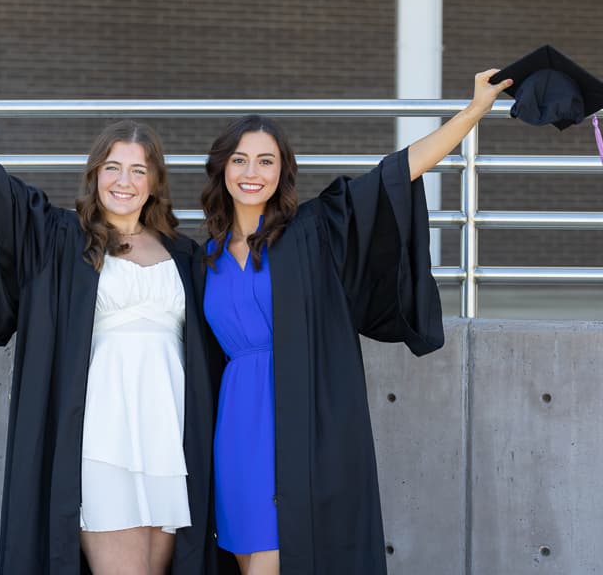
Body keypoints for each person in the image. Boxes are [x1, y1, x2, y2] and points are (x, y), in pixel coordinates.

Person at [0, 61, 215, 575]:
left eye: (137, 169)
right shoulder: (64, 241)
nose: (123, 181)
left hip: (168, 441)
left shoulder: (187, 256)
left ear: (155, 181)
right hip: (102, 439)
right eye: (112, 167)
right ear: (95, 174)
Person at [195, 70, 513, 575]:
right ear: (222, 168)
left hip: (298, 418)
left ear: (283, 171)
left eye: (266, 160)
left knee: (279, 558)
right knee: (243, 553)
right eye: (240, 159)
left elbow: (397, 172)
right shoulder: (205, 256)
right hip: (234, 424)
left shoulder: (311, 232)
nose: (251, 172)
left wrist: (473, 112)